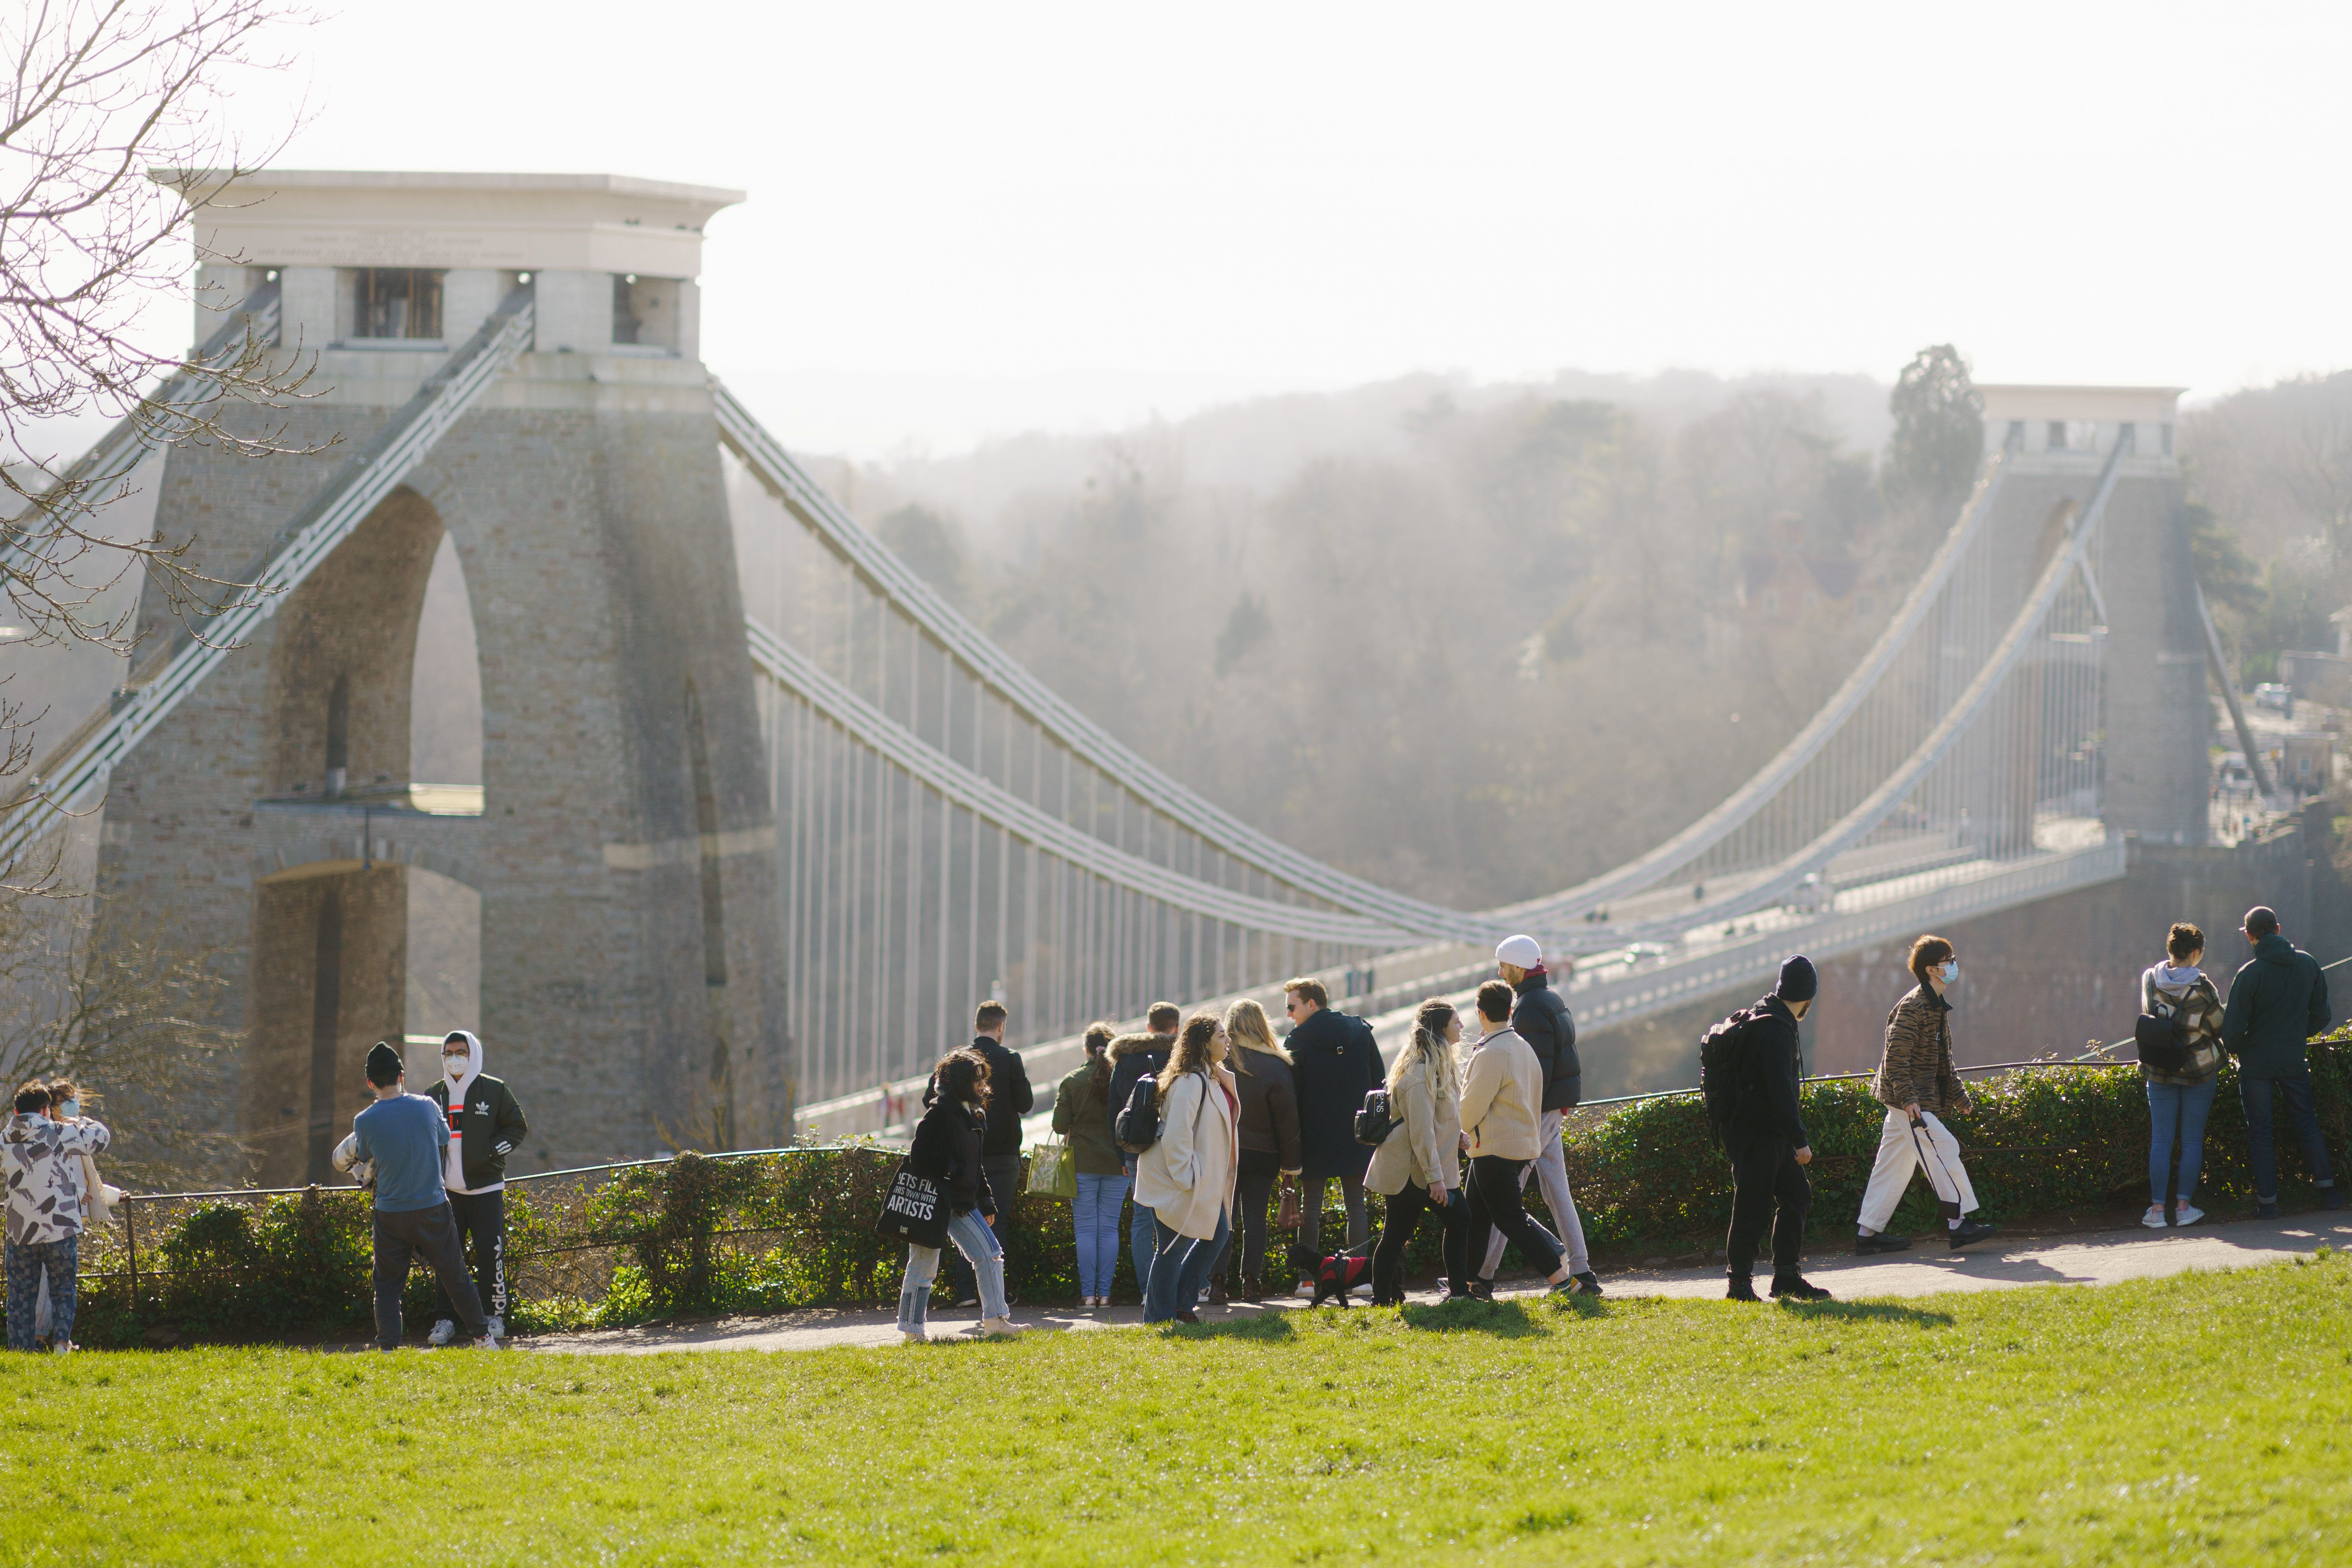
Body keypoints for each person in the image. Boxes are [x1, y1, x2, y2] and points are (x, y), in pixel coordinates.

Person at [336, 1041, 498, 1351]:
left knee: (387, 1285)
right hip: (432, 1207)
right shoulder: (426, 1105)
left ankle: (387, 1348)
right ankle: (483, 1338)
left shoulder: (363, 1120)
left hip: (390, 1212)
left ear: (370, 1083)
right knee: (455, 1275)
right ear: (401, 1075)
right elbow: (444, 1137)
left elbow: (366, 1154)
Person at [1856, 937, 1996, 1253]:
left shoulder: (1934, 1004)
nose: (1954, 964)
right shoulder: (1913, 1006)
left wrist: (1959, 1097)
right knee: (1943, 1146)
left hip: (1908, 1098)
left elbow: (1943, 1059)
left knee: (1894, 1163)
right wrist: (1908, 1100)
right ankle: (1958, 1224)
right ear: (1932, 969)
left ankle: (1867, 1233)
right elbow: (1895, 1059)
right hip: (1907, 1099)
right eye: (1950, 960)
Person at [1485, 935, 1601, 1295]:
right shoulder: (1549, 999)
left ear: (1519, 968)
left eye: (1504, 966)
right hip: (1554, 1110)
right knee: (1556, 1193)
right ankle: (1582, 1271)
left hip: (1535, 1115)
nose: (1500, 972)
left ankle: (1480, 1276)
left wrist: (1521, 1117)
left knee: (1503, 1198)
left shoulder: (1528, 1008)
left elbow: (1532, 1072)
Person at [1456, 981, 1579, 1298]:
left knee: (1510, 1219)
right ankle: (1468, 1285)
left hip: (1493, 1149)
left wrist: (1457, 1133)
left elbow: (1470, 1109)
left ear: (1480, 1013)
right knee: (1477, 1216)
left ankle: (1562, 1278)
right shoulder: (1523, 1048)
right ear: (1510, 1011)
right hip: (1520, 1146)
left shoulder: (1490, 1053)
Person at [2218, 905, 2340, 1219]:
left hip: (2256, 1065)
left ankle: (2268, 1203)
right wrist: (2298, 1035)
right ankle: (2328, 1192)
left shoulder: (2249, 974)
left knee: (2261, 1132)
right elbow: (2322, 1014)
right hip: (2293, 1058)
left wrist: (2246, 1047)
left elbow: (2231, 1032)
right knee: (2306, 1122)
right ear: (2278, 929)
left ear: (2249, 935)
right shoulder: (2307, 963)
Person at [897, 1048, 1025, 1342]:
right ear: (959, 1082)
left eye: (983, 1079)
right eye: (977, 1080)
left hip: (961, 1204)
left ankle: (995, 1321)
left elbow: (975, 1164)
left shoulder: (973, 1114)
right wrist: (952, 1173)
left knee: (990, 1255)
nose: (983, 1086)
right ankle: (912, 1331)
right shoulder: (939, 1115)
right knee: (923, 1268)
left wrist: (986, 1200)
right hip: (937, 1204)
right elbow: (921, 1159)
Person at [1721, 957, 1830, 1302]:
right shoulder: (1775, 1030)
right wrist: (1800, 1141)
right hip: (1757, 1133)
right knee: (1751, 1207)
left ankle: (1785, 1276)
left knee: (1796, 1196)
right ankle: (1738, 1285)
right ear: (1808, 995)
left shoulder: (1767, 1014)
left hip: (1764, 1130)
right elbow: (1781, 1092)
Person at [425, 1030, 530, 1345]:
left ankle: (494, 1316)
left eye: (462, 1052)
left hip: (486, 1189)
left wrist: (490, 1151)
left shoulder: (495, 1090)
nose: (455, 1058)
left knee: (491, 1253)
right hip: (447, 1193)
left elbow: (517, 1128)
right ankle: (445, 1319)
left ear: (474, 1054)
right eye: (448, 1053)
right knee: (446, 1257)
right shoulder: (433, 1095)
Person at [1133, 1011, 1238, 1325]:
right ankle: (1159, 1317)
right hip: (1176, 1179)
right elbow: (1177, 1135)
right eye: (1221, 1036)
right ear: (1203, 1044)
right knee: (1171, 1249)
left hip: (1197, 1180)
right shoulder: (1192, 1081)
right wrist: (1186, 1179)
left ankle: (1179, 1305)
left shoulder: (1210, 1077)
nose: (1228, 1040)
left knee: (1215, 1233)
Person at [926, 1001, 1033, 1306]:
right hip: (1002, 1153)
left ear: (976, 1025)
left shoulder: (954, 1062)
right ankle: (995, 1295)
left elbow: (928, 1098)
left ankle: (965, 1292)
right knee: (994, 1220)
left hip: (961, 1152)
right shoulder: (1010, 1059)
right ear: (1001, 1027)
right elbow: (1025, 1103)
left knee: (962, 1215)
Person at [1283, 977, 1383, 1293]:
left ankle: (1307, 1281)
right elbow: (1379, 1081)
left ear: (1311, 1004)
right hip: (1357, 1133)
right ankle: (1360, 1279)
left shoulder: (1297, 1040)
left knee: (1310, 1208)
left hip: (1313, 1134)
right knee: (1356, 1205)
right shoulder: (1360, 1031)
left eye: (1292, 1006)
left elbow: (1291, 1094)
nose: (1288, 1014)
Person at [1366, 999, 1468, 1305]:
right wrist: (1436, 1179)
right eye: (1456, 1022)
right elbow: (1420, 1131)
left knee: (1404, 1233)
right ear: (1441, 1029)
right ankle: (1383, 1298)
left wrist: (1457, 1134)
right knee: (1398, 1235)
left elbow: (1435, 1119)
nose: (1462, 1027)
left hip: (1422, 1168)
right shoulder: (1420, 1073)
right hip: (1412, 1171)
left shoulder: (1434, 1067)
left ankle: (1453, 1293)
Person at [3, 1081, 109, 1353]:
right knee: (63, 1289)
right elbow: (102, 1137)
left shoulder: (4, 1139)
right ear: (46, 1110)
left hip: (20, 1231)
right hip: (59, 1228)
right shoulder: (59, 1132)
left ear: (16, 1111)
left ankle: (20, 1351)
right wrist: (78, 1121)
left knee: (20, 1296)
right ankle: (61, 1343)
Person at [1208, 997, 1301, 1304]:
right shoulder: (1276, 1065)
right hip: (1264, 1154)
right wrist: (1291, 1165)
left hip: (1226, 1151)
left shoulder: (1219, 1063)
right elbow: (1287, 1121)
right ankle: (1251, 1282)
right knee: (1255, 1220)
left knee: (1225, 1217)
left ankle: (1217, 1282)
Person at [2140, 923, 2226, 1228]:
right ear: (2195, 952)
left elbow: (2151, 1015)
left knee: (2160, 1140)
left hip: (2160, 1068)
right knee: (2191, 1140)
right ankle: (2183, 1208)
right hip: (2198, 1070)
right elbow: (2218, 1026)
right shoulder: (2204, 989)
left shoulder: (2150, 979)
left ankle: (2157, 1212)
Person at [1051, 1023, 1128, 1308]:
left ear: (1086, 1049)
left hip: (1081, 1164)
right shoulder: (1122, 1081)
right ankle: (1105, 1295)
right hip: (1117, 1165)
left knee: (1084, 1229)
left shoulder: (1072, 1080)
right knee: (1109, 1229)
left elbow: (1059, 1126)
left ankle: (1087, 1296)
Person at [1106, 1002, 1181, 1288]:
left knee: (1141, 1220)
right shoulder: (1182, 1058)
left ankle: (1146, 1289)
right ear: (1176, 1027)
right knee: (1175, 1214)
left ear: (1148, 1027)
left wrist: (1121, 1154)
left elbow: (1115, 1111)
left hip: (1135, 1149)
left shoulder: (1126, 1060)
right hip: (1173, 1147)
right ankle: (1172, 1285)